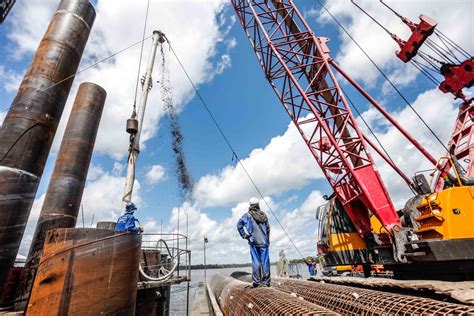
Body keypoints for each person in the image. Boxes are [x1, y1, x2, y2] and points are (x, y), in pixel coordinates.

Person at [237, 197, 271, 287]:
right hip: (264, 242)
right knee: (265, 262)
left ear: (250, 205)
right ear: (258, 205)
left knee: (256, 262)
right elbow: (268, 229)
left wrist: (245, 236)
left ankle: (257, 282)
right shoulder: (263, 215)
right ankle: (266, 282)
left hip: (254, 242)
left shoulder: (247, 215)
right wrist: (268, 239)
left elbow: (239, 225)